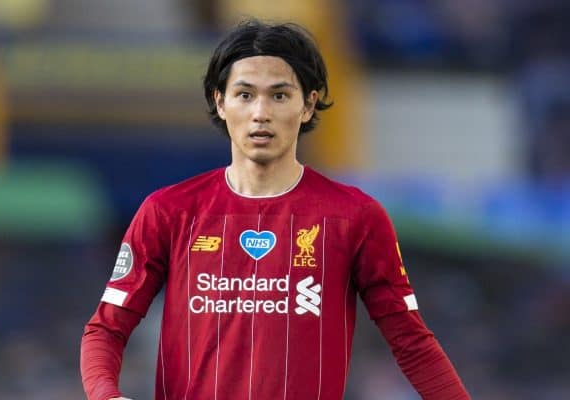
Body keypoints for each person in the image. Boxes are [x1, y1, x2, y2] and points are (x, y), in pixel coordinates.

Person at [80, 19, 470, 400]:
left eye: (279, 95)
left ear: (308, 104)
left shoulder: (356, 217)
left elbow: (412, 342)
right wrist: (105, 395)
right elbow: (106, 329)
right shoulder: (168, 211)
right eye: (245, 94)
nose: (260, 112)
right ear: (220, 102)